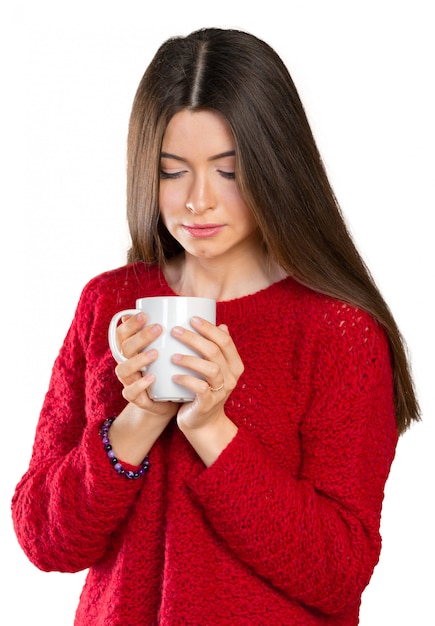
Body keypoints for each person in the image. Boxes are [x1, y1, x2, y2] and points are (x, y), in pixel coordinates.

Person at [12, 27, 420, 625]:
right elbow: (45, 538)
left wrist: (210, 429)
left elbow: (340, 572)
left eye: (228, 172)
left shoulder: (337, 329)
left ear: (276, 165)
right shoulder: (109, 303)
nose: (197, 200)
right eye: (172, 171)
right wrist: (140, 417)